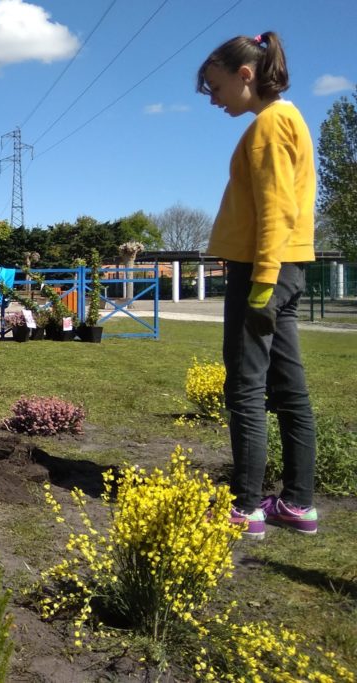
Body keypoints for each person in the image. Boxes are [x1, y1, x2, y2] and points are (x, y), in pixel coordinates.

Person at [197, 31, 318, 538]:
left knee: (245, 388)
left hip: (263, 269)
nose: (215, 99)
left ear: (245, 75)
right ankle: (297, 505)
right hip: (287, 267)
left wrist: (262, 285)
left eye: (217, 87)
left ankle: (244, 508)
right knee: (289, 390)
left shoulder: (270, 124)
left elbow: (276, 211)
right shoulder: (285, 118)